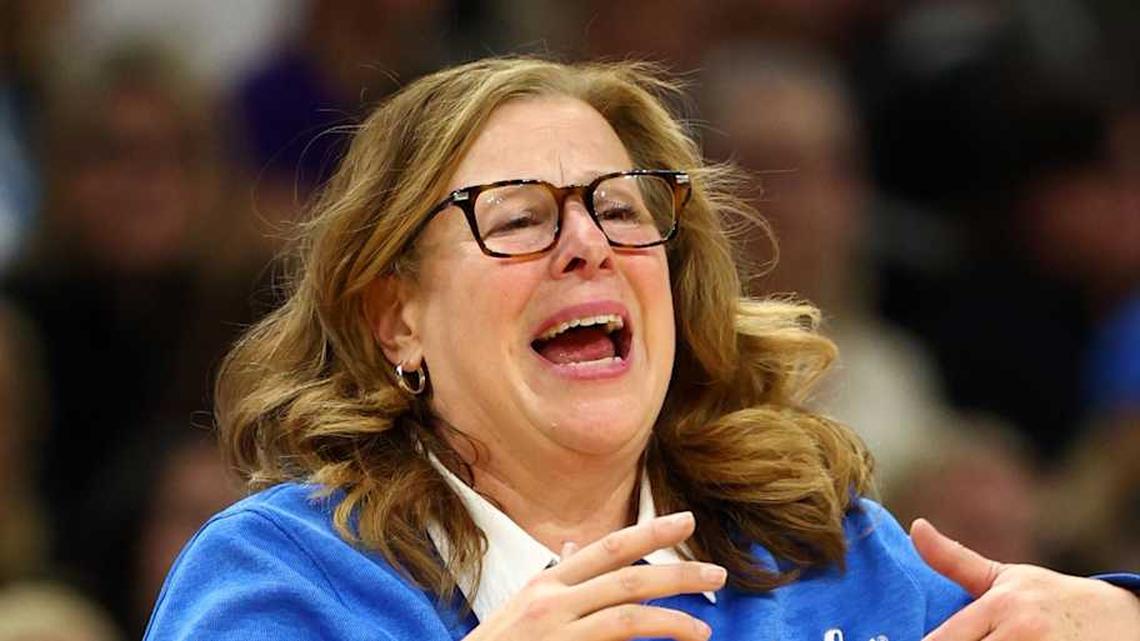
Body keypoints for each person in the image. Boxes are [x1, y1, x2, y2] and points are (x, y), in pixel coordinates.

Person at [144, 57, 1139, 641]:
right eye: (519, 216)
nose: (587, 243)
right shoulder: (283, 581)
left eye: (621, 208)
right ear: (394, 319)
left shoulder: (818, 556)